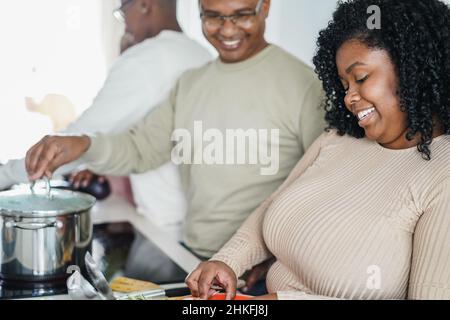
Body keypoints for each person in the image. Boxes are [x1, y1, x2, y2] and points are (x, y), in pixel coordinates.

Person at [22, 0, 326, 291]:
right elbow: (141, 149)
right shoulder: (190, 84)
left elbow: (325, 182)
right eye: (213, 16)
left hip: (262, 272)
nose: (227, 29)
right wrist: (84, 145)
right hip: (194, 259)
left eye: (242, 15)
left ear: (266, 7)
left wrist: (278, 255)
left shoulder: (304, 85)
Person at [185, 0, 450, 300]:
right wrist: (227, 261)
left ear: (412, 68)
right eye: (344, 84)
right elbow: (271, 206)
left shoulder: (443, 178)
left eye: (360, 78)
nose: (350, 97)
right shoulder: (338, 138)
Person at [0, 0, 212, 238]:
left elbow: (74, 142)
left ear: (144, 5)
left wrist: (5, 174)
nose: (125, 26)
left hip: (164, 226)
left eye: (123, 13)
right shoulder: (200, 53)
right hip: (201, 222)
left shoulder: (146, 60)